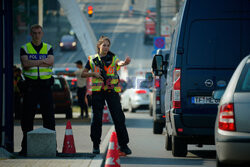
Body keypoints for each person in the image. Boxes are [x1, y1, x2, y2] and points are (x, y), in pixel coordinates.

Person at [81, 36, 132, 155]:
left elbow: (119, 63)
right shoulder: (92, 59)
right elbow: (83, 73)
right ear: (99, 46)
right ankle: (95, 145)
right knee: (96, 119)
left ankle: (123, 145)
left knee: (119, 118)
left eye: (108, 45)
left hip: (111, 91)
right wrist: (93, 74)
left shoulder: (113, 58)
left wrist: (125, 63)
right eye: (104, 45)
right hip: (97, 92)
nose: (106, 47)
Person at [19, 24, 55, 156]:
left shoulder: (48, 47)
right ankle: (25, 148)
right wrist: (42, 61)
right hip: (31, 87)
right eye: (34, 33)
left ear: (42, 34)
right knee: (27, 119)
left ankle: (51, 147)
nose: (36, 35)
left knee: (49, 118)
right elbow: (25, 64)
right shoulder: (25, 48)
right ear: (31, 34)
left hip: (45, 87)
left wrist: (34, 61)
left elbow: (51, 61)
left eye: (39, 33)